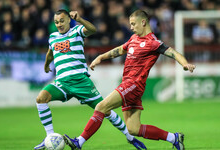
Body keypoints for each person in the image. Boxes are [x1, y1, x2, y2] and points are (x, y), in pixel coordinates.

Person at [64, 10, 196, 150]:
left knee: (101, 107)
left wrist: (185, 64)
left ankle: (79, 142)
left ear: (143, 22)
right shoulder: (134, 38)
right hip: (129, 85)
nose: (131, 27)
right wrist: (101, 57)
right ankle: (174, 138)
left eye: (133, 24)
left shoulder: (153, 42)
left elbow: (173, 53)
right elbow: (120, 50)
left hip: (133, 84)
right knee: (134, 129)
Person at [34, 9, 146, 150]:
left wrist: (79, 19)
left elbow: (92, 29)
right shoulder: (53, 37)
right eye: (56, 22)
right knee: (41, 99)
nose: (59, 24)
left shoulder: (77, 31)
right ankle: (49, 137)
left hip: (81, 82)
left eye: (62, 21)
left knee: (106, 111)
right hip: (62, 83)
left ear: (69, 19)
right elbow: (50, 52)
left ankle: (131, 138)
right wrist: (46, 65)